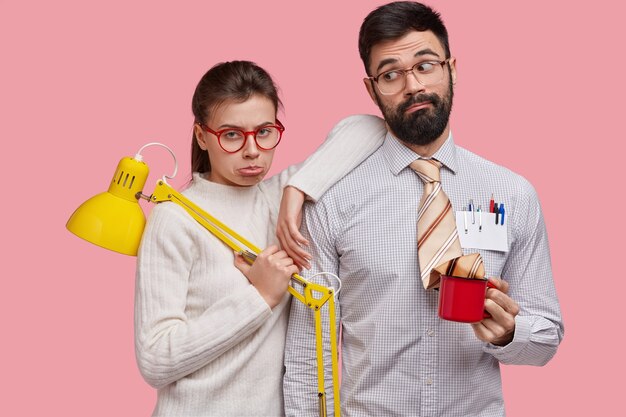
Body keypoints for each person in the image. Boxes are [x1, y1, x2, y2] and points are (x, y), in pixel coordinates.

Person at [280, 2, 564, 416]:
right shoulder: (332, 200)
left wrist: (509, 333)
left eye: (426, 65)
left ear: (452, 69)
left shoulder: (513, 194)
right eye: (391, 74)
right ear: (371, 89)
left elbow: (546, 339)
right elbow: (309, 351)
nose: (413, 86)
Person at [134, 60, 385, 416]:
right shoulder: (175, 218)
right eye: (232, 135)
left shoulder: (278, 197)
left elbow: (369, 127)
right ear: (203, 136)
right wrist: (259, 296)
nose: (252, 150)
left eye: (264, 131)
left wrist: (298, 189)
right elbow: (156, 359)